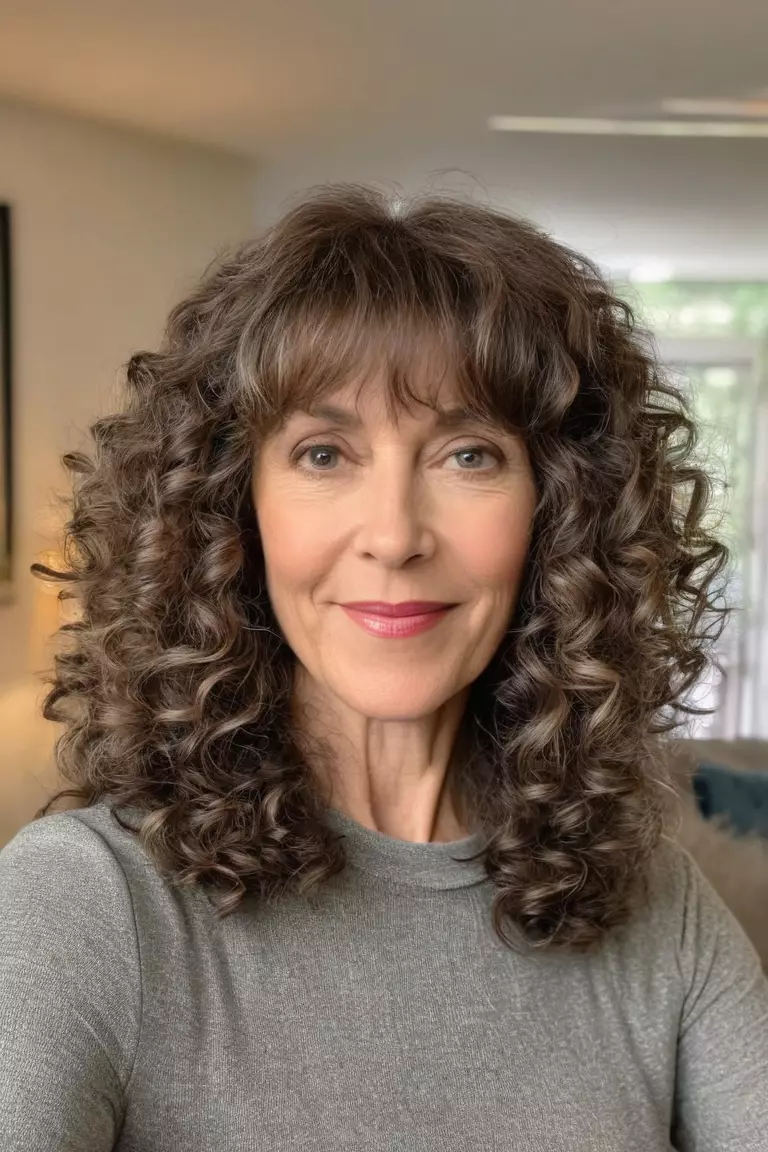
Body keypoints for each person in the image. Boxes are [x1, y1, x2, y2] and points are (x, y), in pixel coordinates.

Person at [1, 183, 766, 1151]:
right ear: (237, 509)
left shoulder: (656, 909)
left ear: (557, 515)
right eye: (325, 454)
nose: (396, 535)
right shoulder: (87, 906)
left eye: (468, 456)